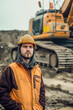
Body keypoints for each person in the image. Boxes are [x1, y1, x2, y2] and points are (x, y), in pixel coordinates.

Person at [0, 34, 45, 110]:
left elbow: (42, 92)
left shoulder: (38, 70)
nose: (28, 49)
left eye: (30, 47)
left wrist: (41, 107)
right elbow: (1, 92)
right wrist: (16, 108)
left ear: (33, 50)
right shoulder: (11, 69)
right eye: (25, 46)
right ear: (19, 48)